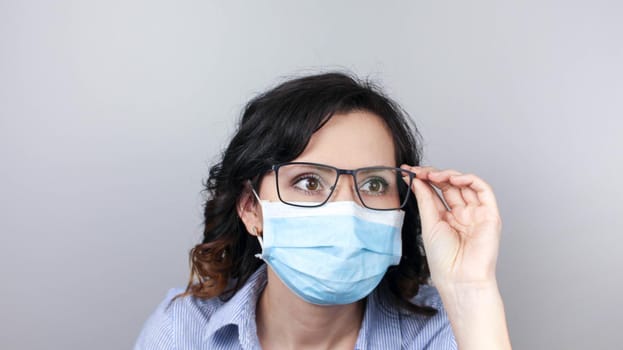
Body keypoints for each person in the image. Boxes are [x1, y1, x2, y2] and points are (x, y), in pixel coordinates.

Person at [134, 72, 512, 349]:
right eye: (309, 182)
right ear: (251, 208)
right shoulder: (185, 329)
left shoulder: (440, 331)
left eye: (374, 184)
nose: (346, 209)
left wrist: (471, 292)